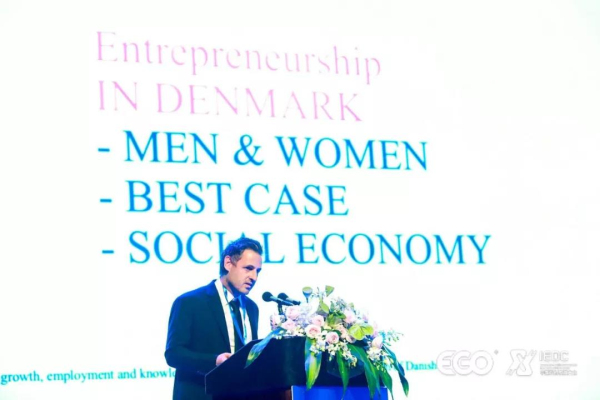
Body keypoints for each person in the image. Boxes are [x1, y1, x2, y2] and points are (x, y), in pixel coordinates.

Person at [165, 237, 263, 400]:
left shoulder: (252, 307)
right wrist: (215, 361)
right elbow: (174, 354)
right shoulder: (190, 302)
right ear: (228, 263)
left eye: (258, 271)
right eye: (248, 268)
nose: (254, 277)